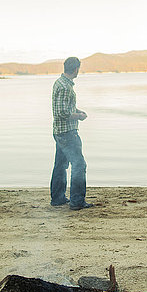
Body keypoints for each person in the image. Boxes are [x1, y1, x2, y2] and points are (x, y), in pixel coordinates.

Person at [50, 57, 93, 210]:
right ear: (76, 69)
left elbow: (65, 108)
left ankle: (58, 198)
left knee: (60, 165)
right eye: (78, 69)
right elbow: (62, 113)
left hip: (59, 131)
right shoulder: (65, 87)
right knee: (79, 165)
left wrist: (77, 110)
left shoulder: (59, 83)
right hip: (67, 133)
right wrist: (79, 116)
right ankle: (77, 202)